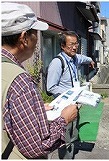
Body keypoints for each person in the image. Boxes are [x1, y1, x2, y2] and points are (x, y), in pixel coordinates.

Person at [1, 2, 78, 159]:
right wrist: (64, 119)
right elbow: (37, 147)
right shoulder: (20, 82)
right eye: (35, 33)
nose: (37, 40)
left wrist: (33, 108)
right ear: (24, 38)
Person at [46, 31, 95, 159]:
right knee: (65, 137)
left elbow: (83, 58)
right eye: (71, 44)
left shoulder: (75, 58)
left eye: (76, 44)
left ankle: (71, 154)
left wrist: (90, 60)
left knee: (74, 132)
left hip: (74, 105)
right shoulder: (57, 63)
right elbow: (51, 87)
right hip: (63, 106)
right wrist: (70, 94)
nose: (74, 47)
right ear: (62, 46)